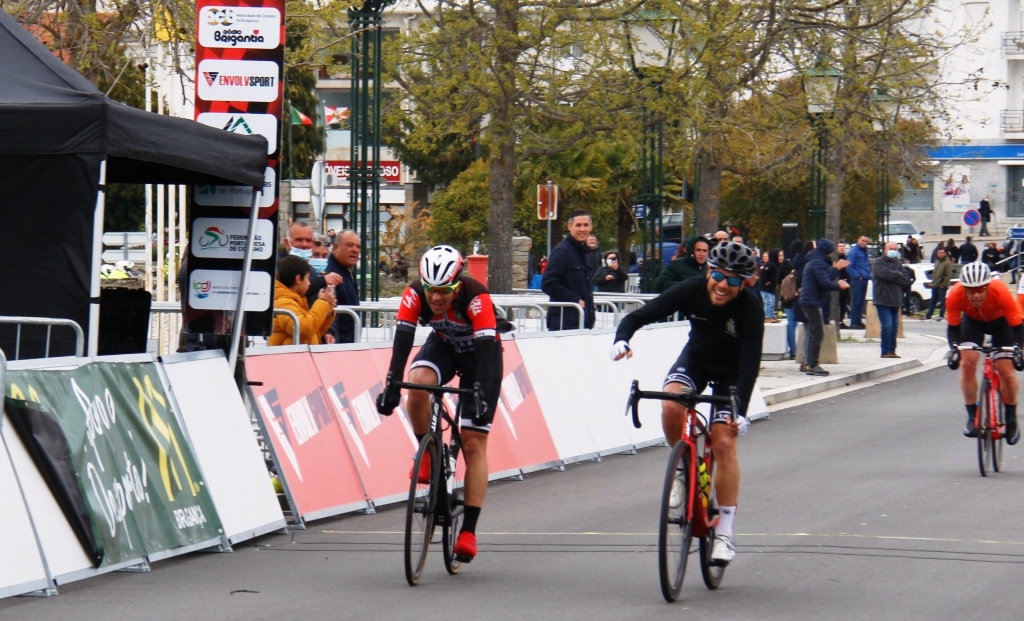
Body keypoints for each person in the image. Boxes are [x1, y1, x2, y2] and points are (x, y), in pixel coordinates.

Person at [609, 241, 762, 565]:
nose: (723, 285)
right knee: (670, 405)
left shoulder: (750, 306)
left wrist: (742, 412)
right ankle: (682, 467)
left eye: (734, 281)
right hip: (697, 359)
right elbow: (641, 316)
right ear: (709, 271)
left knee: (722, 442)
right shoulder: (691, 289)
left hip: (732, 374)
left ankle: (724, 535)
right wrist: (621, 339)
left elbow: (750, 362)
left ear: (744, 283)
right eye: (719, 276)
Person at [375, 245, 506, 561]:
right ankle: (430, 454)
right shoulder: (415, 293)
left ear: (457, 283)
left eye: (444, 291)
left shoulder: (476, 297)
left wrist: (478, 396)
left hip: (481, 356)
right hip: (444, 347)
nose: (435, 297)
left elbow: (487, 355)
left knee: (474, 444)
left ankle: (469, 532)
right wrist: (392, 385)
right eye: (431, 289)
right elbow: (403, 342)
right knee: (417, 384)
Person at [947, 262, 1022, 444]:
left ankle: (1011, 418)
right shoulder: (954, 296)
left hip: (1001, 323)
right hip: (973, 323)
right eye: (971, 291)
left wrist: (1019, 350)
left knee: (1006, 371)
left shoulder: (1000, 291)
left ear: (988, 286)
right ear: (963, 289)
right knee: (966, 363)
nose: (977, 294)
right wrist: (955, 349)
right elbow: (953, 327)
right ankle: (973, 416)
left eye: (981, 289)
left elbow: (1018, 326)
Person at [799, 238, 850, 375]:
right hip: (812, 302)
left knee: (813, 333)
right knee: (817, 334)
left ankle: (809, 364)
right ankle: (813, 365)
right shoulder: (818, 262)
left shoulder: (815, 261)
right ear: (828, 251)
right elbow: (825, 283)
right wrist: (839, 285)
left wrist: (836, 268)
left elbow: (825, 277)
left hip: (810, 301)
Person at [541, 209, 595, 330]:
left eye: (586, 225)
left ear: (591, 227)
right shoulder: (562, 251)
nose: (582, 229)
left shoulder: (582, 252)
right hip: (564, 325)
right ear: (569, 227)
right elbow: (548, 283)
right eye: (578, 225)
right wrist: (575, 300)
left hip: (582, 322)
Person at [269, 255, 336, 346]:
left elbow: (314, 332)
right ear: (298, 279)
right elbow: (304, 330)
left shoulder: (296, 301)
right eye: (308, 278)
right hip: (288, 358)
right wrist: (322, 302)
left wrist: (327, 311)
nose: (309, 283)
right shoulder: (283, 302)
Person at [322, 230, 362, 344]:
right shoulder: (332, 274)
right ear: (335, 247)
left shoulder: (346, 271)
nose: (355, 250)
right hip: (338, 344)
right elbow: (329, 308)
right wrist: (330, 333)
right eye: (349, 245)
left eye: (358, 247)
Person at [872, 242, 910, 357]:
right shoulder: (877, 262)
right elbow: (884, 274)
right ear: (885, 249)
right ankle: (885, 351)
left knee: (894, 327)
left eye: (895, 249)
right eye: (891, 248)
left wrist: (894, 275)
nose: (893, 251)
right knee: (887, 326)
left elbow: (905, 279)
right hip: (882, 300)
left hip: (895, 300)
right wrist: (896, 274)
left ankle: (892, 350)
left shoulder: (898, 263)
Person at [845, 235, 871, 330]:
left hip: (864, 278)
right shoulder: (854, 251)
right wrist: (857, 276)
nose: (864, 243)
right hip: (858, 280)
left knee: (861, 301)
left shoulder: (864, 252)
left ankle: (858, 321)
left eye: (866, 241)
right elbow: (849, 267)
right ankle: (854, 322)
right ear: (858, 240)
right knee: (856, 301)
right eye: (862, 240)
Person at [925, 246, 953, 321]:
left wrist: (943, 284)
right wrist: (932, 282)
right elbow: (935, 273)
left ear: (945, 253)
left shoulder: (947, 263)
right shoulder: (937, 261)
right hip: (935, 285)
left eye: (942, 252)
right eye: (939, 252)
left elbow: (948, 275)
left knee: (942, 301)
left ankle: (941, 315)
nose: (940, 254)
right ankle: (928, 316)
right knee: (933, 301)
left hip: (941, 286)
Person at [758, 250, 779, 322]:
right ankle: (767, 317)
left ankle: (772, 316)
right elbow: (763, 273)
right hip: (764, 287)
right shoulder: (765, 266)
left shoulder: (770, 265)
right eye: (763, 256)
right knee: (768, 302)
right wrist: (767, 282)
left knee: (772, 301)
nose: (764, 258)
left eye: (765, 256)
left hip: (770, 288)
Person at [836, 241, 851, 326]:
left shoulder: (846, 258)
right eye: (840, 246)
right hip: (837, 284)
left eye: (843, 246)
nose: (842, 248)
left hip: (845, 284)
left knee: (843, 303)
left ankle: (841, 320)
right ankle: (837, 320)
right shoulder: (835, 258)